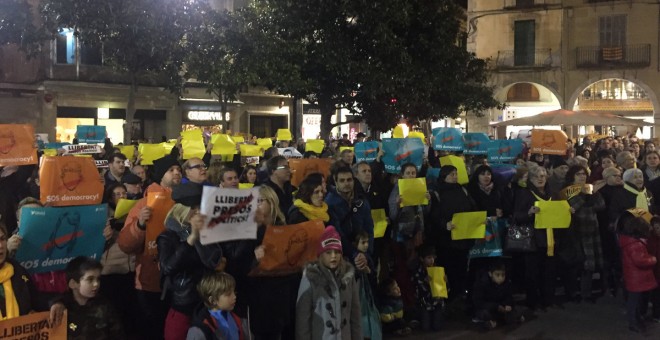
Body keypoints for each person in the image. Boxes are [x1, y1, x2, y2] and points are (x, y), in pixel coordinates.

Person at [118, 154, 182, 340]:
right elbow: (125, 244)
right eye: (171, 170)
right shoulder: (144, 204)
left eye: (178, 169)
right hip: (150, 281)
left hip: (179, 280)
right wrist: (139, 225)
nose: (176, 173)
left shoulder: (185, 201)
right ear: (161, 175)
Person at [158, 182, 224, 340]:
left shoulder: (206, 231)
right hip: (184, 305)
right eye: (196, 209)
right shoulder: (168, 237)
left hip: (207, 302)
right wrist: (191, 239)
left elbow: (214, 259)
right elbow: (167, 267)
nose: (200, 213)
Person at [248, 185, 300, 340]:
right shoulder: (248, 230)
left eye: (260, 201)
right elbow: (240, 264)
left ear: (271, 202)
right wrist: (254, 258)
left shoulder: (283, 227)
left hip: (282, 294)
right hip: (260, 297)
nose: (255, 205)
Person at [296, 225, 361, 339]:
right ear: (321, 255)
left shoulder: (348, 277)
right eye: (328, 252)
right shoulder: (310, 278)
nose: (333, 256)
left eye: (337, 252)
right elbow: (303, 319)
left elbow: (355, 315)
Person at [562, 165, 605, 303]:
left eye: (584, 174)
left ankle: (586, 293)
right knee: (576, 263)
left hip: (591, 229)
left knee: (589, 265)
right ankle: (573, 292)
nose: (582, 176)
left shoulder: (590, 189)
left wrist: (593, 195)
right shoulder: (568, 190)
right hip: (575, 230)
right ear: (572, 176)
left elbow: (601, 205)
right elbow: (573, 207)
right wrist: (585, 196)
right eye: (578, 174)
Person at [61, 256, 124, 339]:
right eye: (90, 279)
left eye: (98, 279)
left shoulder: (104, 305)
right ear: (73, 283)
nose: (96, 284)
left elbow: (117, 334)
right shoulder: (64, 307)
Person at [618, 211, 658, 333]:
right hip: (636, 278)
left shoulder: (631, 241)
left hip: (634, 277)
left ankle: (636, 318)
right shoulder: (634, 244)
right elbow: (640, 261)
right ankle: (633, 322)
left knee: (635, 300)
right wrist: (653, 259)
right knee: (634, 302)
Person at [186, 272, 251, 340]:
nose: (234, 296)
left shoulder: (238, 315)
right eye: (228, 294)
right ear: (213, 300)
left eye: (234, 292)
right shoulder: (200, 328)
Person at [326, 165, 374, 255]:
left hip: (363, 253)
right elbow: (338, 235)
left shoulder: (362, 201)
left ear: (353, 180)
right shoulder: (329, 204)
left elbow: (369, 229)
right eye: (342, 180)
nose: (346, 183)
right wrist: (354, 255)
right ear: (336, 182)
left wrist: (367, 253)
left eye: (349, 180)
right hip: (342, 255)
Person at [471, 261, 524, 330]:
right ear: (490, 274)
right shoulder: (482, 284)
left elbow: (509, 297)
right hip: (489, 309)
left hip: (502, 309)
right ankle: (490, 322)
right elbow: (478, 303)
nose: (501, 278)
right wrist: (496, 306)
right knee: (484, 314)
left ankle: (496, 322)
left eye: (503, 275)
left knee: (513, 312)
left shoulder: (506, 282)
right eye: (497, 275)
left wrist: (508, 305)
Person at [411, 244, 443, 332]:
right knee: (425, 328)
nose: (432, 260)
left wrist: (445, 281)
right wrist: (424, 282)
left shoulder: (438, 270)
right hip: (424, 303)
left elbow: (445, 290)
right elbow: (417, 290)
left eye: (433, 257)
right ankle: (417, 318)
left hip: (437, 302)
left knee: (437, 327)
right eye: (429, 257)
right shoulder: (418, 272)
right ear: (422, 259)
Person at [647, 216, 660, 323]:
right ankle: (656, 315)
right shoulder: (650, 240)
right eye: (657, 228)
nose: (658, 230)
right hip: (654, 271)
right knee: (656, 294)